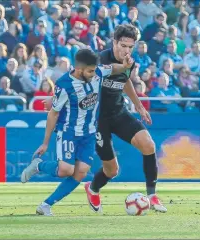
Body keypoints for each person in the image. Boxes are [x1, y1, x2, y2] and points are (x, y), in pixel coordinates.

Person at [20, 49, 133, 216]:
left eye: (95, 70)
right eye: (90, 71)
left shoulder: (97, 72)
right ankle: (38, 165)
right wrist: (45, 142)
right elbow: (53, 112)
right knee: (66, 170)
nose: (94, 74)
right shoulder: (64, 85)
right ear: (79, 69)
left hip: (89, 134)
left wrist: (124, 66)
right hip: (68, 132)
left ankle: (46, 205)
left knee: (80, 172)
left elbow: (112, 68)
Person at [84, 24, 167, 213]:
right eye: (123, 45)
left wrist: (138, 105)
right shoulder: (100, 59)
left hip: (118, 112)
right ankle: (93, 187)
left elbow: (125, 79)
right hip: (97, 119)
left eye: (130, 47)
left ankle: (152, 195)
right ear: (114, 42)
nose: (126, 50)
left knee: (148, 144)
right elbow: (112, 70)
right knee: (112, 171)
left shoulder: (130, 62)